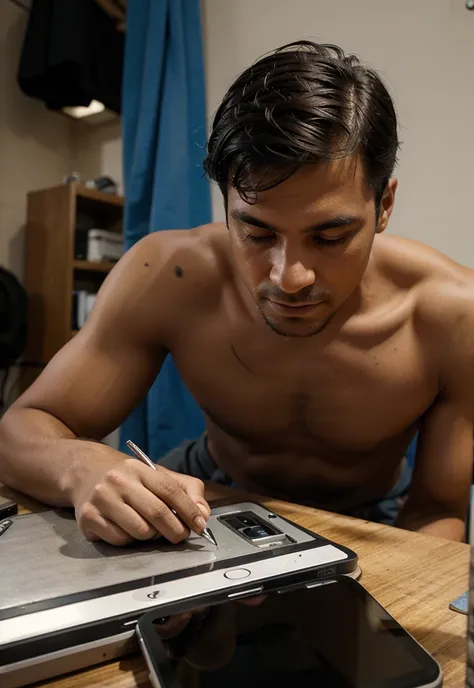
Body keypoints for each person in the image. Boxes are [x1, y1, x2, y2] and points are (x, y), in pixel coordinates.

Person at [0, 41, 472, 545]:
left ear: (384, 206)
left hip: (371, 519)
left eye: (330, 237)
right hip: (209, 496)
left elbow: (437, 511)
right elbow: (19, 431)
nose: (290, 278)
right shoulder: (167, 275)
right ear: (225, 203)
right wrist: (84, 465)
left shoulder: (451, 316)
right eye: (258, 233)